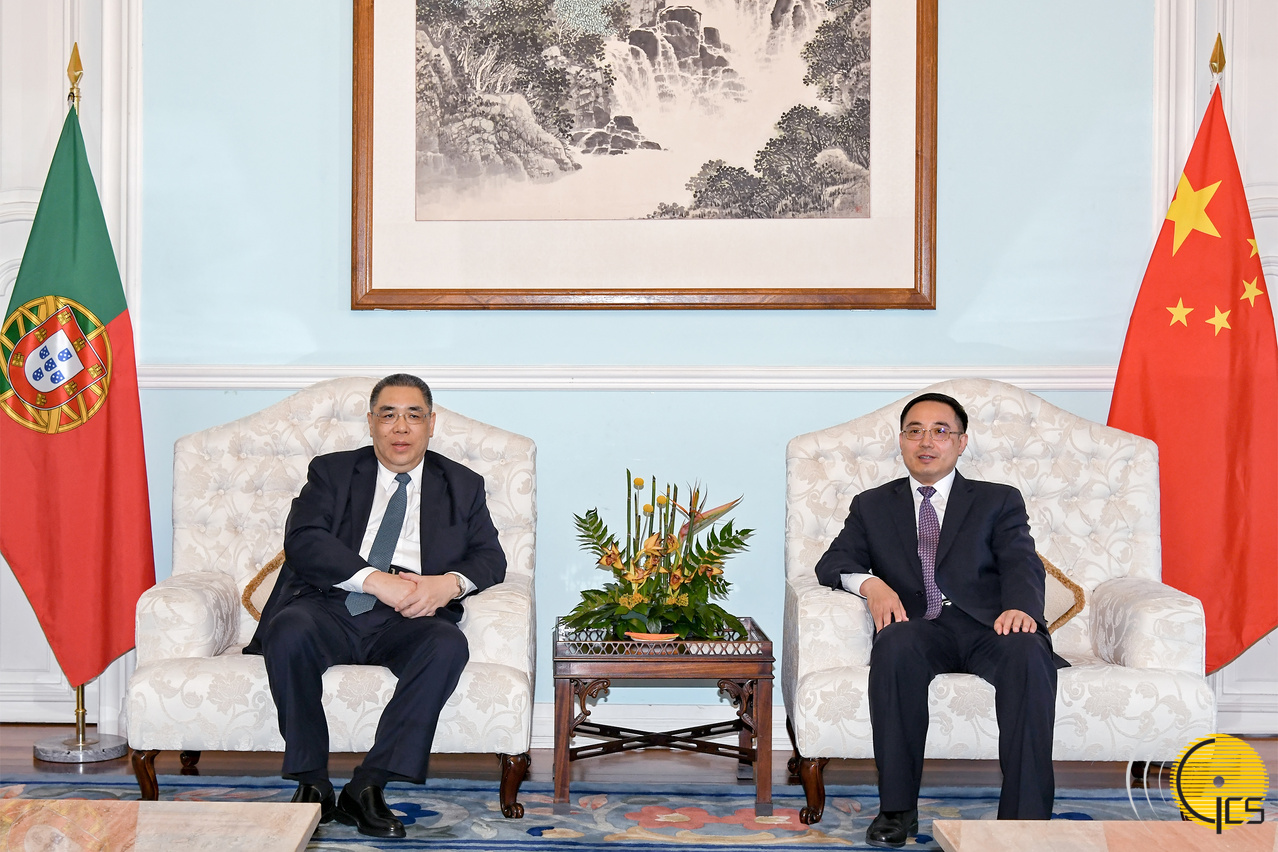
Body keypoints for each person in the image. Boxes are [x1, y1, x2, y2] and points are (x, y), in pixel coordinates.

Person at [244, 373, 506, 839]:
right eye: (388, 415)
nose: (400, 427)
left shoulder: (462, 484)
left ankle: (368, 785)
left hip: (410, 614)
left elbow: (490, 558)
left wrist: (446, 586)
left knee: (448, 645)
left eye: (413, 415)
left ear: (431, 424)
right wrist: (373, 580)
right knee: (288, 629)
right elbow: (304, 540)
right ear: (370, 423)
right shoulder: (332, 471)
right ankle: (312, 782)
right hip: (330, 603)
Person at [814, 392, 1062, 848]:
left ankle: (1023, 820)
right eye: (915, 431)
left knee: (1028, 651)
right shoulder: (872, 505)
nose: (926, 441)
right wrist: (871, 585)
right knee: (893, 644)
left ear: (961, 442)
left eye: (940, 431)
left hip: (990, 627)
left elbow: (1020, 560)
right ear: (902, 441)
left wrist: (1021, 607)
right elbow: (833, 562)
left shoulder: (997, 499)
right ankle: (897, 810)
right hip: (921, 628)